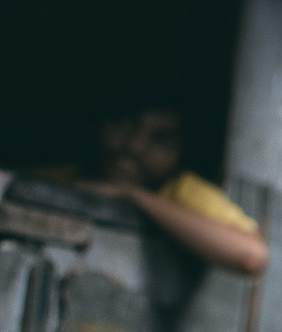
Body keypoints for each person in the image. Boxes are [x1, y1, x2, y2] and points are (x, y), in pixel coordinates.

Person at [73, 100, 269, 275]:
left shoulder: (180, 189)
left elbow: (250, 255)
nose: (134, 147)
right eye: (125, 123)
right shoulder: (66, 174)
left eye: (162, 140)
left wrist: (132, 194)